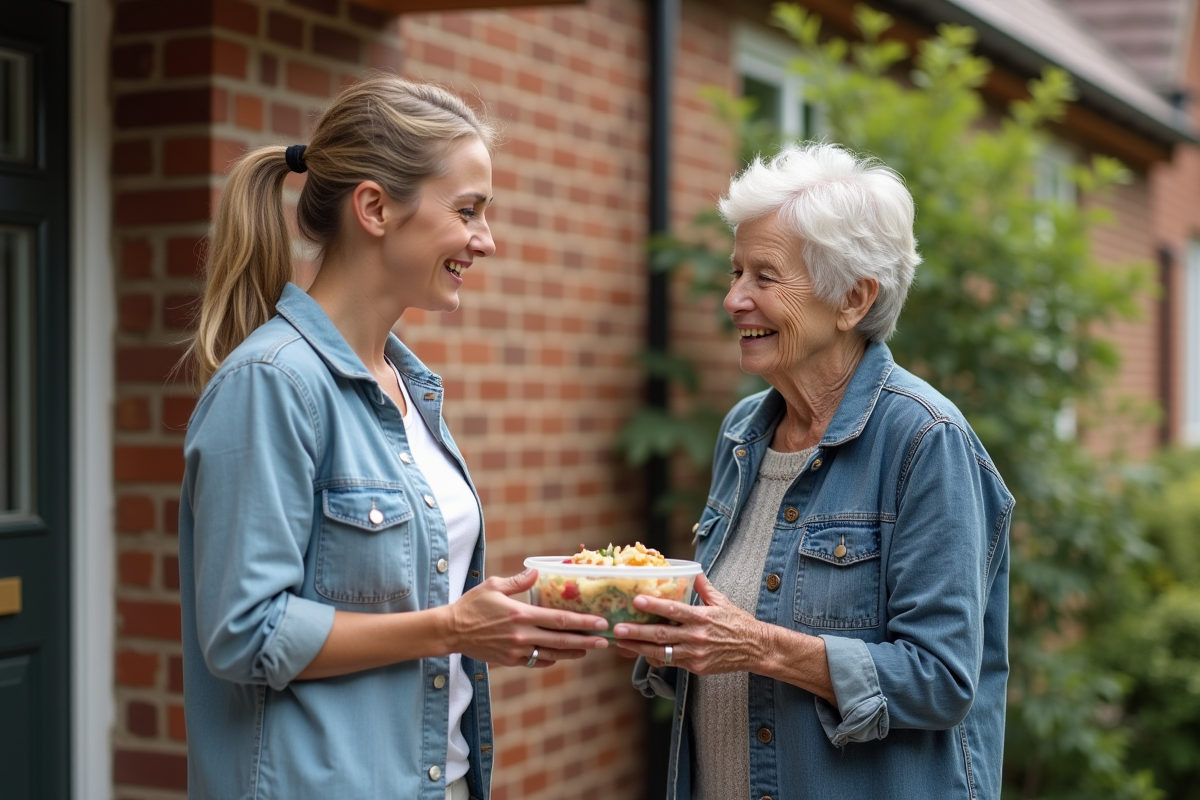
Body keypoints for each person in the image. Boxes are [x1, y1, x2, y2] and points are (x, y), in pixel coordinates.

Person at [178, 76, 610, 800]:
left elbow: (412, 608)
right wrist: (454, 628)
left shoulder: (411, 387)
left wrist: (495, 625)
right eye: (468, 211)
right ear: (374, 207)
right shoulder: (273, 384)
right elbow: (246, 632)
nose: (487, 240)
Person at [616, 142, 1013, 800]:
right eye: (735, 271)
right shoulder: (745, 431)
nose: (733, 299)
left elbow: (940, 678)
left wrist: (759, 647)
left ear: (853, 300)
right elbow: (731, 631)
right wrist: (659, 627)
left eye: (764, 277)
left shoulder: (924, 441)